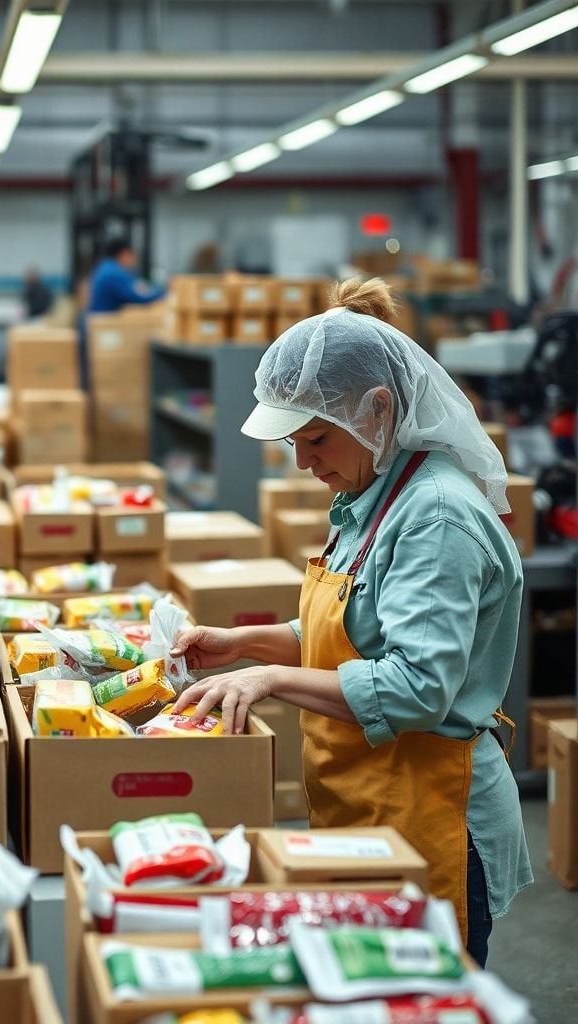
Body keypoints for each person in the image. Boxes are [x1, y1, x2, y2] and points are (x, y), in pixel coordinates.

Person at [172, 277, 532, 968]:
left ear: (377, 410)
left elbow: (418, 685)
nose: (303, 463)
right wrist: (240, 643)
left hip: (431, 815)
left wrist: (272, 678)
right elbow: (352, 636)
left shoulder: (434, 516)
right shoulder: (375, 495)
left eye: (314, 439)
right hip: (369, 804)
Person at [82, 238, 164, 386]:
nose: (134, 260)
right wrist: (165, 293)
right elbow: (138, 297)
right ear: (124, 254)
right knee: (108, 373)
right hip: (102, 328)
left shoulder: (106, 267)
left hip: (96, 324)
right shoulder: (114, 272)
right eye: (132, 256)